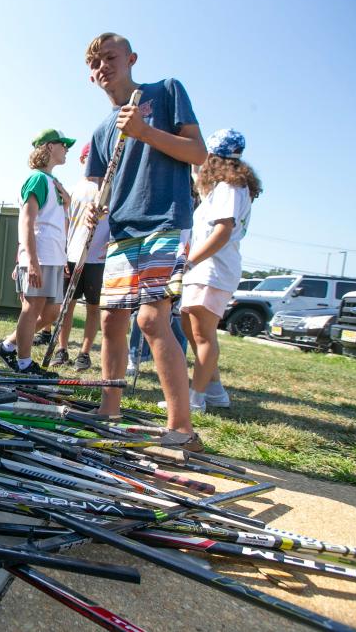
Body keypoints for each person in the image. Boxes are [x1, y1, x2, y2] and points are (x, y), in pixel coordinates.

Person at [83, 32, 207, 451]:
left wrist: (142, 131)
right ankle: (108, 409)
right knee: (110, 321)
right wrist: (97, 208)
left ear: (132, 58)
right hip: (122, 230)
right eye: (95, 62)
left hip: (164, 220)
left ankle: (182, 429)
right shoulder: (101, 130)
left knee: (152, 320)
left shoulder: (165, 92)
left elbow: (197, 153)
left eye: (110, 57)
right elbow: (103, 185)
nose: (103, 66)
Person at [180, 128, 261, 411]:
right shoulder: (218, 188)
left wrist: (190, 261)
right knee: (189, 326)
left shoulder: (230, 188)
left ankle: (195, 399)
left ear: (214, 156)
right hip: (203, 269)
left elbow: (223, 231)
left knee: (203, 334)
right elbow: (193, 171)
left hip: (214, 269)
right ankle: (215, 391)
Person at [0, 129, 73, 377]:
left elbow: (59, 223)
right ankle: (24, 364)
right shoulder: (37, 179)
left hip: (54, 257)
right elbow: (26, 222)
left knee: (52, 312)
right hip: (40, 256)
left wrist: (67, 203)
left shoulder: (52, 183)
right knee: (32, 309)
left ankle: (7, 346)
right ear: (49, 147)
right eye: (63, 144)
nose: (66, 149)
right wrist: (32, 261)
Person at [47, 142, 109, 370]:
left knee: (93, 306)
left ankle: (84, 353)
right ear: (83, 160)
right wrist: (63, 254)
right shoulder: (74, 190)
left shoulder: (108, 189)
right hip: (72, 255)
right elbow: (65, 223)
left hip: (98, 258)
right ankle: (61, 349)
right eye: (91, 158)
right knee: (66, 305)